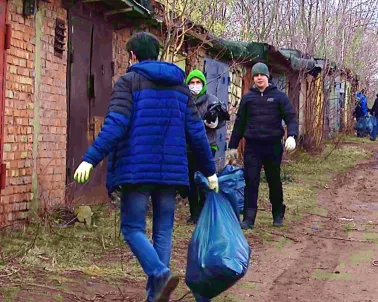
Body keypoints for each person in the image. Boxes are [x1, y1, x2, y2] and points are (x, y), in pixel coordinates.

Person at [72, 32, 218, 302]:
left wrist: (90, 158)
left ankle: (160, 273)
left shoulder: (129, 82)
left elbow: (115, 126)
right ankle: (156, 296)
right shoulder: (180, 86)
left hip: (136, 170)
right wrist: (210, 171)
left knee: (131, 228)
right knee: (163, 230)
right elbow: (197, 132)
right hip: (171, 173)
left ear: (133, 56)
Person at [226, 62, 298, 230]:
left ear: (267, 77)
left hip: (273, 146)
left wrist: (292, 135)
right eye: (256, 75)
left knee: (274, 180)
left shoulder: (279, 97)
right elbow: (239, 124)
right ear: (253, 78)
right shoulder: (248, 98)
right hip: (253, 146)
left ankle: (278, 213)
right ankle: (249, 218)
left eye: (262, 75)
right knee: (251, 180)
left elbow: (291, 117)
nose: (259, 78)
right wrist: (232, 147)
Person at [185, 69, 229, 224]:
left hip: (208, 144)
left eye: (198, 82)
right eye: (192, 82)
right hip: (188, 146)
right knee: (191, 180)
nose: (195, 85)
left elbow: (222, 119)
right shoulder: (185, 99)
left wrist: (215, 122)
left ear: (203, 84)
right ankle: (194, 213)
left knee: (205, 179)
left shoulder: (212, 99)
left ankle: (205, 210)